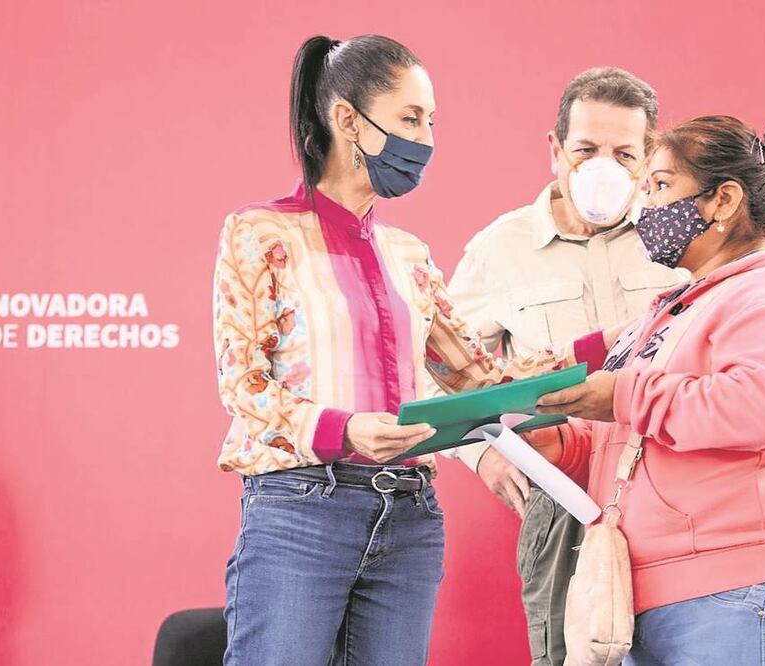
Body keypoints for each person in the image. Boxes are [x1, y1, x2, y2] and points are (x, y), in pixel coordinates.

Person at [212, 34, 610, 666]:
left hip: (409, 514)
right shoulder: (259, 232)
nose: (425, 138)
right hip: (300, 509)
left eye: (430, 121)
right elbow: (245, 384)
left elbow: (476, 379)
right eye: (410, 118)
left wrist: (604, 348)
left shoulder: (410, 255)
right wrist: (344, 429)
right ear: (348, 120)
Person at [531, 116, 765, 664]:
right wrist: (561, 446)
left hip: (748, 589)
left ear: (723, 200)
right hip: (656, 596)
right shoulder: (673, 309)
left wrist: (621, 395)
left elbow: (759, 409)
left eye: (660, 186)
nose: (645, 206)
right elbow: (635, 434)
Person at [434, 67, 687, 664]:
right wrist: (484, 455)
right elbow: (436, 369)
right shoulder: (501, 248)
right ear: (555, 150)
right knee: (567, 653)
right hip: (563, 495)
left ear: (650, 156)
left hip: (671, 489)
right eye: (586, 150)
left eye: (625, 154)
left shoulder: (681, 235)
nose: (604, 168)